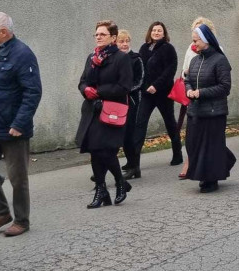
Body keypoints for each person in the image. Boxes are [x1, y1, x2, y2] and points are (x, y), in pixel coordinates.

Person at [0, 12, 43, 237]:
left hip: (13, 128)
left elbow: (32, 92)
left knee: (17, 178)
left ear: (3, 32)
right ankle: (0, 213)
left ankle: (22, 221)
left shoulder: (22, 54)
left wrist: (20, 123)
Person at [75, 21, 134, 208]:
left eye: (103, 34)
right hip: (92, 110)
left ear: (113, 38)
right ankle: (103, 190)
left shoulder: (121, 58)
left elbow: (124, 86)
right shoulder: (92, 57)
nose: (98, 37)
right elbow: (82, 81)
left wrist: (99, 92)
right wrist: (86, 90)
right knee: (94, 149)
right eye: (97, 34)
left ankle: (118, 184)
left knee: (105, 150)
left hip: (111, 111)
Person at [183, 23, 236, 193]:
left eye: (196, 40)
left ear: (206, 40)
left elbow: (224, 87)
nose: (194, 44)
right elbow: (187, 80)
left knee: (210, 146)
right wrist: (189, 90)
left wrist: (201, 93)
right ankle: (225, 160)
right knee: (192, 144)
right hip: (195, 110)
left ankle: (210, 179)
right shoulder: (195, 60)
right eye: (193, 41)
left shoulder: (220, 60)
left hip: (214, 112)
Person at [132, 22, 183, 175]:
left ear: (163, 33)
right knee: (139, 124)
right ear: (150, 32)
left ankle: (177, 153)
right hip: (147, 94)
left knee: (170, 123)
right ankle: (135, 163)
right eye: (154, 30)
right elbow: (140, 69)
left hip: (162, 93)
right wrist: (143, 86)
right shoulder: (143, 48)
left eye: (159, 30)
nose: (156, 32)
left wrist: (156, 85)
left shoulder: (168, 48)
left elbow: (170, 70)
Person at [119, 30, 145, 179]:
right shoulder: (115, 58)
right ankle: (130, 162)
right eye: (121, 41)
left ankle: (135, 166)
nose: (124, 44)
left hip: (132, 101)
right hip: (118, 101)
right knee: (121, 134)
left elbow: (140, 80)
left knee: (130, 134)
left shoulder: (136, 59)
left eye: (126, 41)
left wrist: (125, 90)